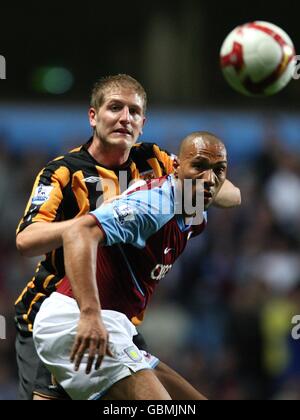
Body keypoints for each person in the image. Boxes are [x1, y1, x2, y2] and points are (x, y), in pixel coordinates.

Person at [15, 74, 241, 400]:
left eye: (134, 112)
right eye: (115, 108)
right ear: (93, 116)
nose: (125, 118)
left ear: (143, 123)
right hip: (59, 307)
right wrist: (95, 223)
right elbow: (26, 240)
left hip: (116, 316)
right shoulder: (64, 171)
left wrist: (209, 182)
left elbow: (225, 190)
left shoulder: (154, 161)